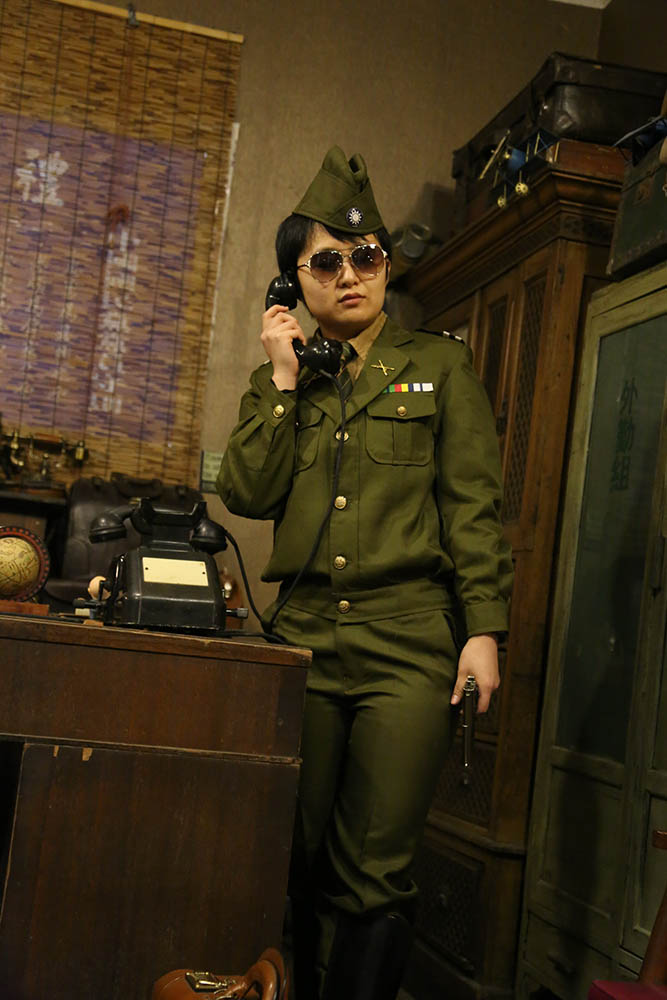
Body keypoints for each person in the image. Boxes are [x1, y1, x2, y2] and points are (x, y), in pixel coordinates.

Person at [217, 146, 513, 1000]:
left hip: (408, 643)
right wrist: (283, 379)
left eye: (367, 256)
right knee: (292, 854)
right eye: (326, 263)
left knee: (375, 869)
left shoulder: (439, 368)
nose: (350, 275)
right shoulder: (279, 383)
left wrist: (483, 631)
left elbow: (472, 507)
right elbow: (245, 491)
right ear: (291, 285)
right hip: (304, 639)